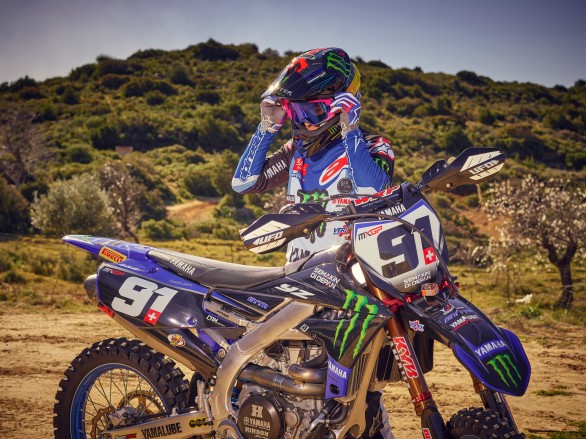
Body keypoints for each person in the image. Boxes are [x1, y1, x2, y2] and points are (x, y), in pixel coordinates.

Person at [232, 47, 395, 438]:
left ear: (345, 105)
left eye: (315, 112)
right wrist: (266, 127)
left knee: (359, 390)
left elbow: (376, 187)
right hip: (296, 282)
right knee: (285, 377)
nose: (304, 123)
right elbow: (244, 182)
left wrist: (350, 130)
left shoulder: (374, 146)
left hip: (349, 283)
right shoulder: (296, 151)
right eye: (297, 112)